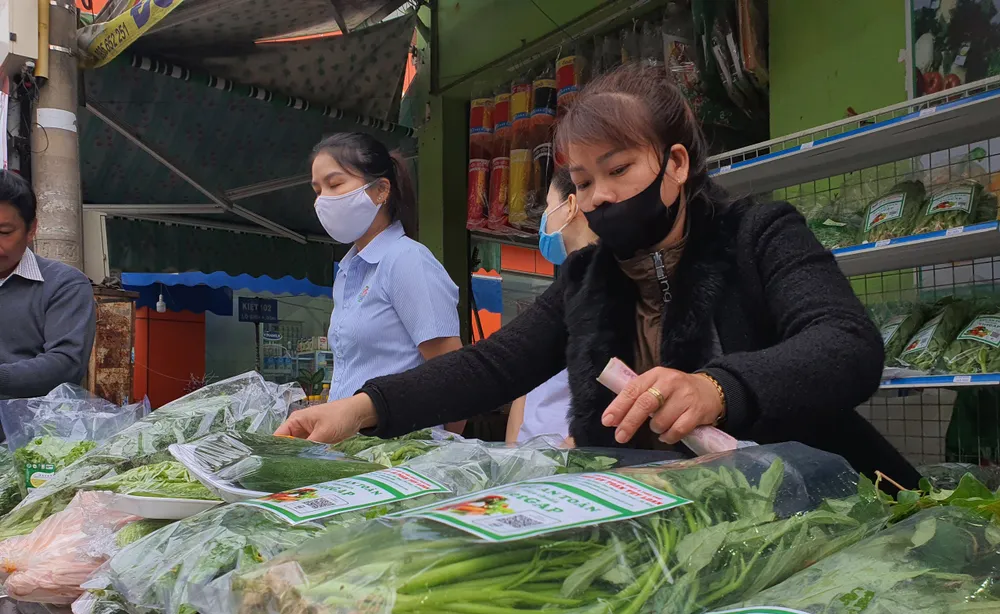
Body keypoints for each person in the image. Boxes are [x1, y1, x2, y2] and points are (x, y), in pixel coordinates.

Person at [277, 64, 921, 488]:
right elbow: (490, 367)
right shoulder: (587, 280)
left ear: (673, 164)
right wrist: (362, 409)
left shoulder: (757, 234)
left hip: (816, 509)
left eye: (618, 171)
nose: (599, 198)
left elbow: (847, 346)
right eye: (583, 183)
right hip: (676, 528)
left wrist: (718, 387)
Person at [0, 170, 95, 614]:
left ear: (32, 229)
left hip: (40, 466)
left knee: (50, 589)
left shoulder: (63, 285)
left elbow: (63, 363)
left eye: (3, 232)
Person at [312, 133, 463, 417]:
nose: (323, 201)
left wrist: (434, 447)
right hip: (353, 451)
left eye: (335, 184)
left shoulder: (407, 260)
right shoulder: (347, 272)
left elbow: (454, 376)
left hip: (400, 450)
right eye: (317, 190)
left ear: (381, 190)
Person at [506, 169, 596, 446]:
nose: (544, 219)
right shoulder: (562, 293)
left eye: (548, 205)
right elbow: (524, 378)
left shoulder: (605, 297)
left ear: (570, 206)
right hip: (529, 465)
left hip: (571, 468)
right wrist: (512, 451)